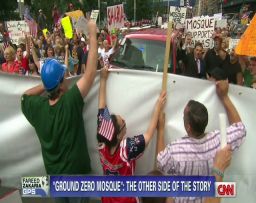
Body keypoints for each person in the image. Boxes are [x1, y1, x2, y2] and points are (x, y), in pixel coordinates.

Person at [21, 20, 98, 203]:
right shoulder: (70, 101)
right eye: (64, 77)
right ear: (62, 83)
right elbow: (91, 72)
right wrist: (92, 33)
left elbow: (24, 96)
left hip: (55, 179)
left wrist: (47, 85)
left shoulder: (38, 108)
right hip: (77, 179)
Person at [156, 80, 246, 203]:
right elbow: (240, 129)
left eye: (183, 116)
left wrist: (160, 131)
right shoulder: (219, 142)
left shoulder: (175, 151)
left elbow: (160, 162)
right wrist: (224, 97)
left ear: (188, 127)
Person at [97, 67, 166, 203]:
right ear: (118, 135)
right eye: (122, 121)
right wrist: (158, 106)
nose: (123, 118)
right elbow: (149, 133)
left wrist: (103, 80)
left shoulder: (102, 139)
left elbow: (101, 107)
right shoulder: (126, 149)